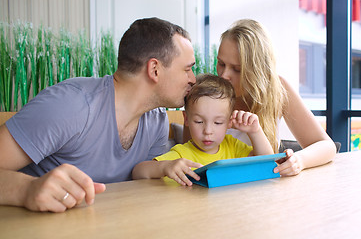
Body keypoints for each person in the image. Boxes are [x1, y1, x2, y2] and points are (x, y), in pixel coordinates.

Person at [0, 17, 196, 212]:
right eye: (187, 69)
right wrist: (27, 189)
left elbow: (146, 185)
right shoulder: (70, 105)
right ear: (154, 70)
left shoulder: (157, 120)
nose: (193, 79)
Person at [184, 19, 336, 177]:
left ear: (257, 70)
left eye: (237, 69)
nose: (224, 75)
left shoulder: (277, 89)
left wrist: (299, 161)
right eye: (221, 63)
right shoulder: (205, 95)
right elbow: (188, 151)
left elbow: (327, 146)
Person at [132, 74, 274, 186]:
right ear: (186, 119)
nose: (208, 131)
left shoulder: (232, 146)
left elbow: (267, 163)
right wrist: (165, 167)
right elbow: (138, 171)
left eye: (218, 122)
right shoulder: (182, 154)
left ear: (229, 122)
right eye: (199, 121)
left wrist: (255, 132)